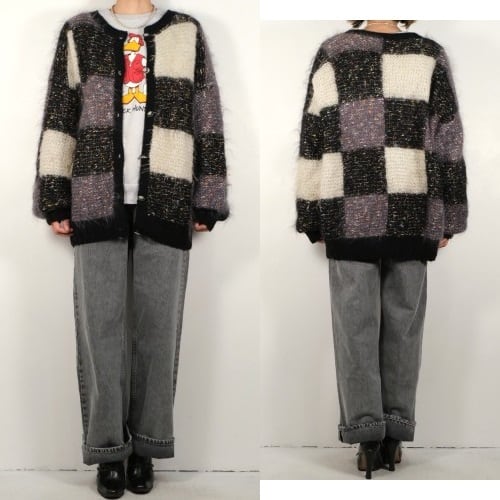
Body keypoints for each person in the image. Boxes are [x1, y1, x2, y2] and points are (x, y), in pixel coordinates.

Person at [32, 0, 229, 497]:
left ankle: (147, 447)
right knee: (100, 332)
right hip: (95, 195)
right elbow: (61, 114)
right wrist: (54, 194)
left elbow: (206, 117)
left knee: (158, 332)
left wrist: (208, 196)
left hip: (167, 195)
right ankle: (107, 453)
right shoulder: (80, 31)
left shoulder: (186, 31)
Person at [295, 20, 467, 479]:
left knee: (361, 326)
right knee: (396, 327)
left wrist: (311, 211)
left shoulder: (340, 51)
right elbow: (448, 141)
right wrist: (450, 214)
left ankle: (371, 438)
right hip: (403, 207)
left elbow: (313, 137)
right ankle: (385, 436)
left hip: (358, 207)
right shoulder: (421, 54)